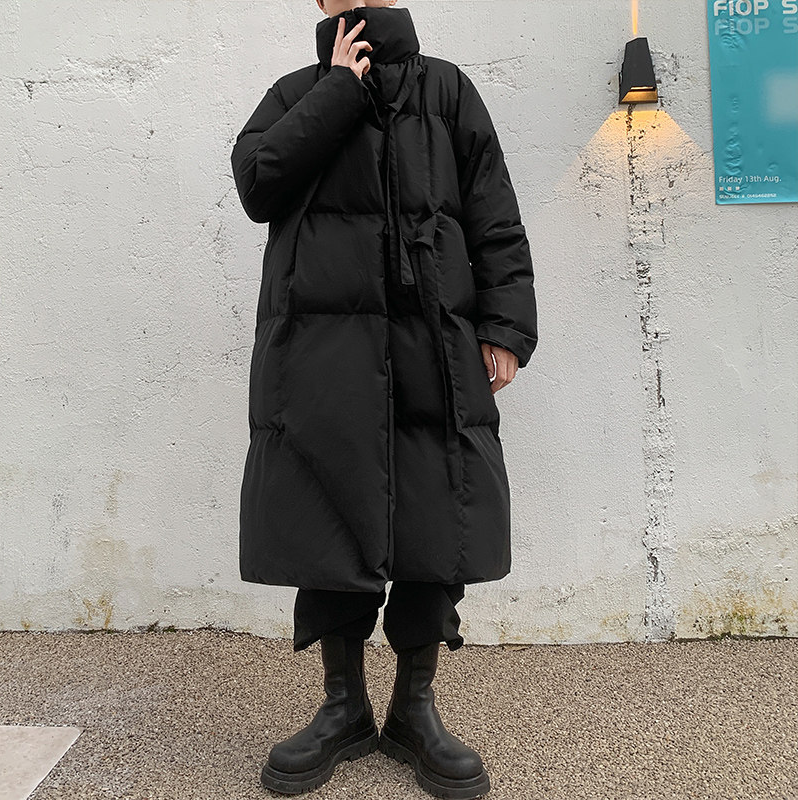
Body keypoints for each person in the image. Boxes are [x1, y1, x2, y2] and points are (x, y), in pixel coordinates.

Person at [230, 0, 537, 796]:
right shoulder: (296, 93)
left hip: (433, 345)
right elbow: (259, 184)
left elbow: (494, 213)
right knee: (328, 511)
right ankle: (343, 708)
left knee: (438, 514)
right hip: (324, 356)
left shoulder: (448, 91)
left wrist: (506, 325)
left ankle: (413, 708)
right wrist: (338, 88)